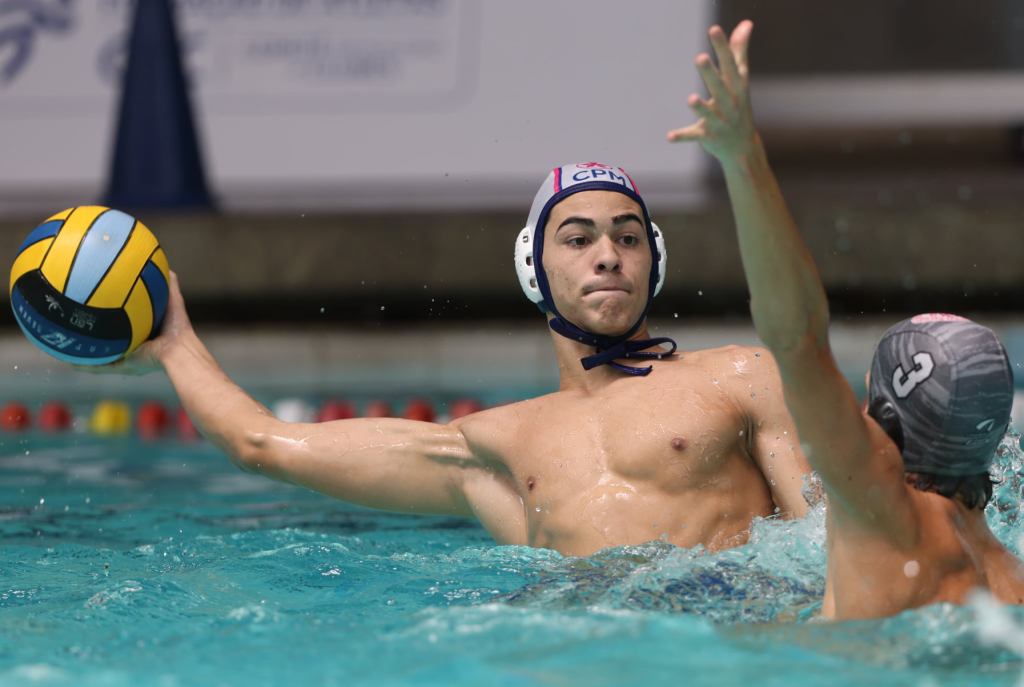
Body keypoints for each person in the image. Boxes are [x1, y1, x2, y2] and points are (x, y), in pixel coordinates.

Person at [96, 122, 813, 561]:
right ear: (533, 265)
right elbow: (263, 445)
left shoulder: (740, 377)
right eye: (579, 237)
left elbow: (825, 544)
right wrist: (172, 341)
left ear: (654, 259)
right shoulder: (488, 448)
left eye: (628, 237)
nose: (607, 255)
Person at [670, 20, 1024, 618]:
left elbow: (799, 336)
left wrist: (743, 156)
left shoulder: (879, 502)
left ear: (887, 414)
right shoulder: (1009, 574)